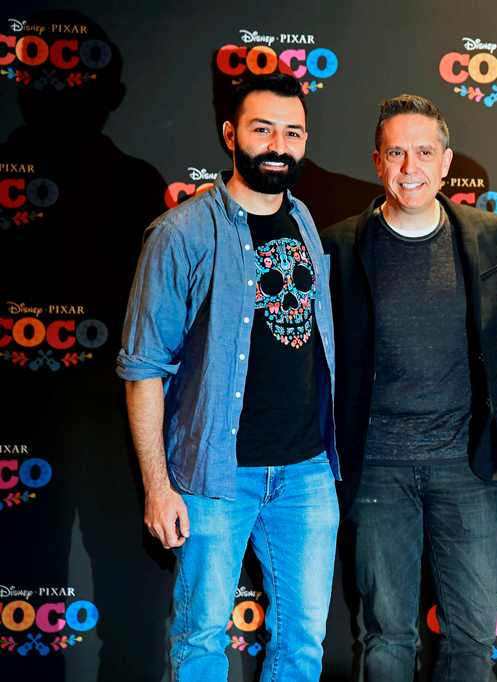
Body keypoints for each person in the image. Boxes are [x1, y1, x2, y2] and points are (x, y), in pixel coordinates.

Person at [117, 74, 340, 681]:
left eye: (292, 132)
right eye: (262, 128)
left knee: (303, 643)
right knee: (201, 639)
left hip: (307, 474)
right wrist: (158, 489)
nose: (278, 143)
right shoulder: (179, 233)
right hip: (215, 476)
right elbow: (142, 371)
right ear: (230, 135)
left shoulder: (305, 221)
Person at [320, 94, 497, 681]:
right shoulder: (339, 246)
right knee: (386, 638)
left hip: (465, 465)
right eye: (396, 153)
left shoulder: (492, 236)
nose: (409, 167)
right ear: (376, 161)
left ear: (446, 161)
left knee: (470, 639)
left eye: (423, 152)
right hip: (378, 466)